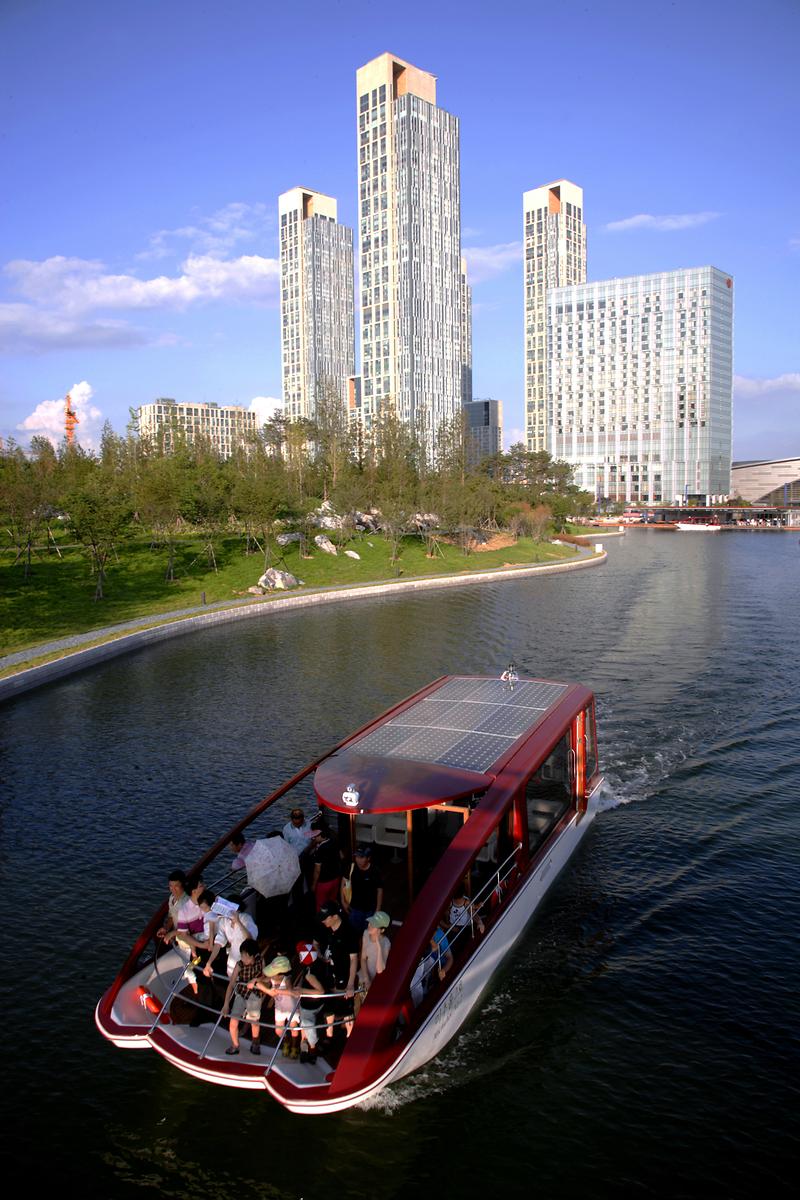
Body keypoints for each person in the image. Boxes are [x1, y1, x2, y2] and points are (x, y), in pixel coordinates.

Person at [318, 901, 359, 1039]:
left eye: (325, 917)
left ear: (335, 917)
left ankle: (350, 1036)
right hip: (331, 974)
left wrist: (350, 984)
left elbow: (354, 959)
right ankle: (329, 1035)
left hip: (343, 976)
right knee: (329, 1006)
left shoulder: (349, 932)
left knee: (346, 1007)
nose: (323, 920)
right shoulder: (328, 930)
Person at [248, 955, 300, 1058]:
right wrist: (256, 982)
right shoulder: (271, 978)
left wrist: (276, 991)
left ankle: (294, 1047)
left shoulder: (287, 979)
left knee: (293, 1028)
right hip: (279, 1007)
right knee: (278, 1030)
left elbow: (291, 992)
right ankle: (286, 1040)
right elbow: (260, 981)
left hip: (291, 1008)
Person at [221, 938, 264, 1056]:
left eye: (245, 956)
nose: (242, 958)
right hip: (241, 993)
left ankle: (255, 1042)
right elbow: (231, 985)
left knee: (254, 1021)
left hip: (255, 994)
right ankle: (235, 1045)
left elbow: (265, 976)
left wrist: (256, 980)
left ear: (252, 956)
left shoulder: (260, 961)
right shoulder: (239, 965)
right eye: (241, 955)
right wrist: (226, 1004)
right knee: (233, 1021)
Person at [203, 897, 258, 979]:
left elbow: (250, 939)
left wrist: (238, 922)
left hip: (247, 961)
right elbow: (218, 943)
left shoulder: (246, 918)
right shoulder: (225, 921)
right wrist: (209, 963)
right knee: (232, 982)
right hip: (232, 961)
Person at [341, 844, 384, 935]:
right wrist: (343, 901)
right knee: (354, 933)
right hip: (354, 909)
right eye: (357, 856)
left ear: (368, 858)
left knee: (369, 934)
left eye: (362, 857)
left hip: (370, 910)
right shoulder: (351, 867)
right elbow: (343, 883)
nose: (358, 860)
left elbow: (379, 890)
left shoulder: (375, 871)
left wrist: (378, 909)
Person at [410, 924, 454, 1006]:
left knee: (427, 964)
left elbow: (450, 958)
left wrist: (443, 970)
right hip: (426, 959)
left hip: (437, 963)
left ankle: (422, 997)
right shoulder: (420, 933)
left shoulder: (439, 935)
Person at [310, 824, 342, 913]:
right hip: (336, 879)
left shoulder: (320, 850)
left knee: (321, 905)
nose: (313, 837)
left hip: (324, 882)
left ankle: (322, 922)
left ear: (321, 835)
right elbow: (342, 856)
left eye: (315, 835)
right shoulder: (334, 841)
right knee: (332, 900)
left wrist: (313, 884)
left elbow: (317, 870)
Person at [359, 911, 391, 992]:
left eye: (374, 925)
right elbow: (363, 958)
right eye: (371, 922)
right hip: (365, 976)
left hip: (377, 982)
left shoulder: (386, 943)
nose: (370, 925)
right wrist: (366, 979)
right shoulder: (366, 933)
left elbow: (380, 970)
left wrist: (379, 948)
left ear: (382, 930)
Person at [448, 888, 485, 954]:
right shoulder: (450, 903)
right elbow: (446, 915)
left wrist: (480, 922)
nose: (458, 901)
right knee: (456, 946)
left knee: (464, 944)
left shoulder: (466, 902)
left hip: (465, 927)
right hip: (454, 927)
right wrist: (449, 925)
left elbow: (473, 912)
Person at [156, 871, 188, 943]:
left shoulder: (187, 902)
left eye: (176, 886)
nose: (173, 889)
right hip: (178, 937)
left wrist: (172, 934)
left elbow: (190, 926)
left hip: (187, 938)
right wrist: (166, 928)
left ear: (183, 885)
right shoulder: (171, 898)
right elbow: (171, 916)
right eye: (171, 886)